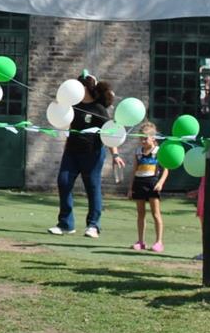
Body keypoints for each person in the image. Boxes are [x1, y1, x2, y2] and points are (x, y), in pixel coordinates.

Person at [49, 72, 122, 238]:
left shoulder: (98, 109)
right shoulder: (72, 106)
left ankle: (93, 225)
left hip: (93, 153)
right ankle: (66, 224)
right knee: (64, 182)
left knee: (92, 187)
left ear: (86, 88)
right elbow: (67, 125)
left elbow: (109, 132)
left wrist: (115, 155)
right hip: (72, 152)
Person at [128, 122, 167, 252]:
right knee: (140, 214)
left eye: (145, 138)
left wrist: (160, 183)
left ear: (153, 138)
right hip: (139, 183)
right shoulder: (138, 152)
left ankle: (159, 242)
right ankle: (140, 241)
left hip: (153, 183)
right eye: (141, 138)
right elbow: (134, 169)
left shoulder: (159, 151)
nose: (143, 141)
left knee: (156, 214)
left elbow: (166, 169)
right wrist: (130, 188)